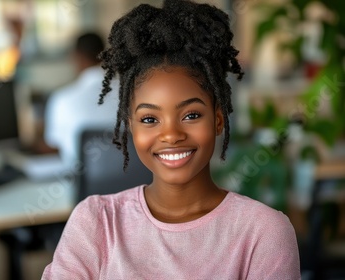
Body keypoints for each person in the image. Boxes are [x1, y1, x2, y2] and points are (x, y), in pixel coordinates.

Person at [42, 0, 300, 279]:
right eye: (150, 120)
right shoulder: (96, 221)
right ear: (132, 128)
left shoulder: (263, 231)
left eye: (190, 115)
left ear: (218, 120)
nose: (171, 135)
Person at [44, 32, 118, 169]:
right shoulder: (132, 93)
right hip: (132, 184)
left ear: (76, 56)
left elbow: (53, 147)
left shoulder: (61, 99)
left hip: (82, 188)